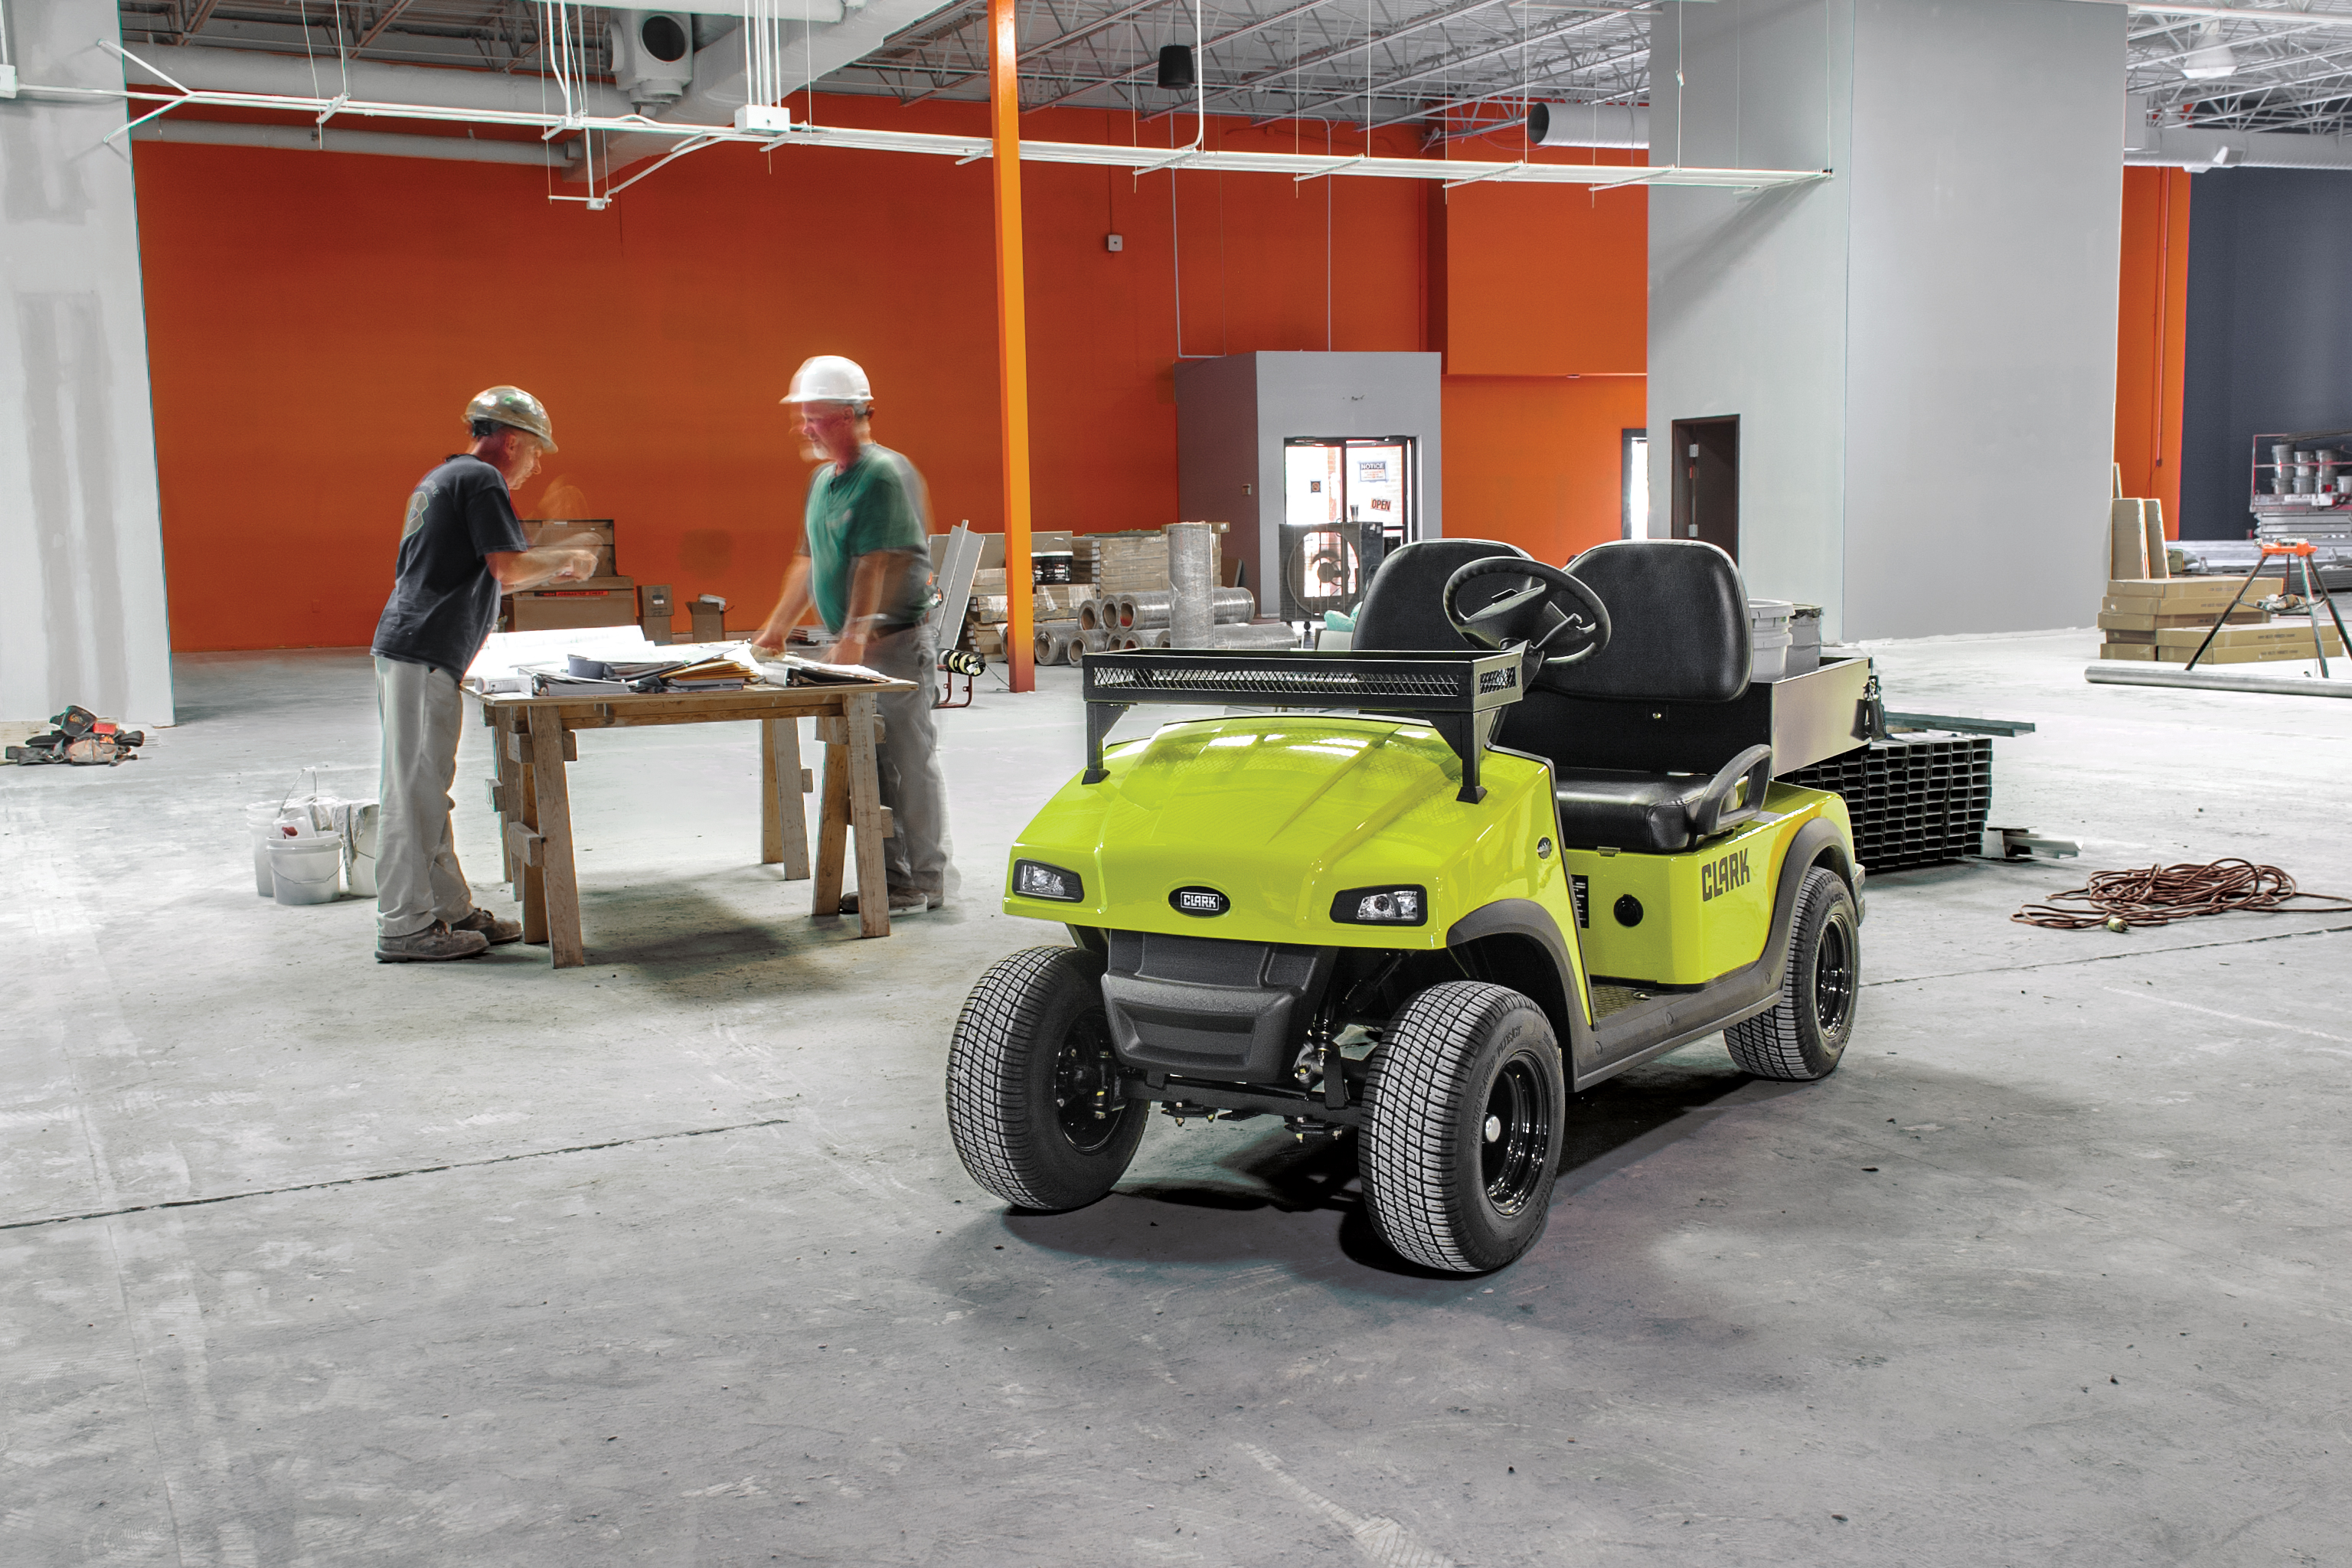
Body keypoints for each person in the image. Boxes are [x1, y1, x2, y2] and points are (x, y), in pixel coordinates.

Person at [371, 387, 600, 962]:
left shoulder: (449, 477)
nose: (536, 465)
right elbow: (508, 566)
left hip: (420, 649)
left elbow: (489, 575)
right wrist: (567, 554)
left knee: (426, 789)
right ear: (513, 441)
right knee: (412, 792)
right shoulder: (481, 479)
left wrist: (550, 567)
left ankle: (449, 909)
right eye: (536, 451)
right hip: (424, 650)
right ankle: (403, 926)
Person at [750, 355, 953, 916]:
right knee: (870, 765)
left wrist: (856, 634)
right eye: (802, 417)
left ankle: (925, 881)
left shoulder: (883, 473)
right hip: (856, 647)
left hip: (896, 645)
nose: (803, 428)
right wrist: (776, 628)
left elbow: (877, 560)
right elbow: (807, 560)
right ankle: (891, 880)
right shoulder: (823, 481)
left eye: (813, 417)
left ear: (848, 415)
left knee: (906, 764)